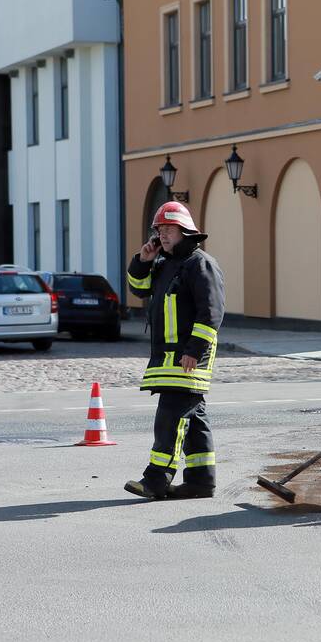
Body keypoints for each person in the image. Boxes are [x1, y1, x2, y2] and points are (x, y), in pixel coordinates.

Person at [124, 201, 226, 500]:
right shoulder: (164, 263)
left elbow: (211, 313)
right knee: (194, 419)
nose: (164, 235)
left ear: (185, 231)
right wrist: (142, 261)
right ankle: (200, 481)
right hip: (169, 358)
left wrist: (194, 349)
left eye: (169, 229)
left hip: (188, 358)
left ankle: (156, 480)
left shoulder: (200, 264)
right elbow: (139, 288)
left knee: (169, 418)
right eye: (159, 230)